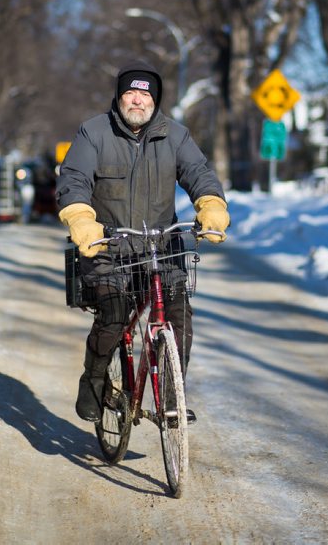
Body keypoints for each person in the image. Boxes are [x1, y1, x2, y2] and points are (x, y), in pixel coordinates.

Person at [56, 60, 229, 423]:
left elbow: (198, 173)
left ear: (155, 99)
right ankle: (94, 379)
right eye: (130, 93)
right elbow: (74, 179)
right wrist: (82, 219)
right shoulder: (94, 132)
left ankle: (171, 399)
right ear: (119, 97)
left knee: (178, 315)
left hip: (161, 246)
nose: (137, 100)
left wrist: (211, 205)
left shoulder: (176, 136)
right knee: (115, 314)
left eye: (144, 94)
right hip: (107, 246)